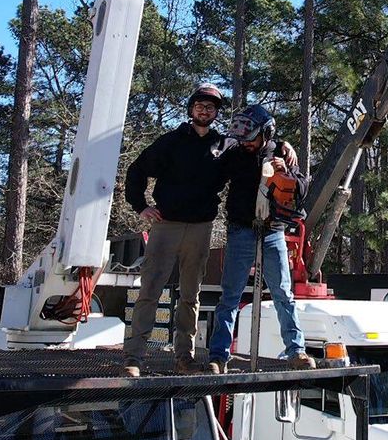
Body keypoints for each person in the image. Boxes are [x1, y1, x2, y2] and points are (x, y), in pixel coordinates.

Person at [121, 83, 227, 375]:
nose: (204, 111)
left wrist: (282, 148)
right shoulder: (170, 142)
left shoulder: (223, 145)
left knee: (191, 295)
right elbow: (137, 170)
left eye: (210, 107)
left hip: (201, 228)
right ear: (191, 109)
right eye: (200, 106)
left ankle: (185, 358)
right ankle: (134, 358)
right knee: (150, 291)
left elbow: (253, 156)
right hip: (165, 226)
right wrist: (140, 206)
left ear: (216, 113)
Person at [207, 104, 316, 373]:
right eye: (243, 138)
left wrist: (287, 171)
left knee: (283, 294)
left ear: (266, 133)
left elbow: (302, 189)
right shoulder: (234, 152)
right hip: (241, 229)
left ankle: (296, 351)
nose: (246, 143)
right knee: (230, 296)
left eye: (252, 138)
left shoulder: (281, 153)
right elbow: (213, 176)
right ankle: (218, 356)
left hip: (273, 232)